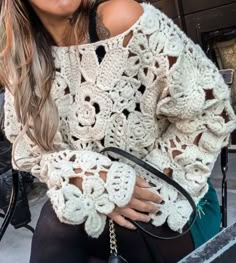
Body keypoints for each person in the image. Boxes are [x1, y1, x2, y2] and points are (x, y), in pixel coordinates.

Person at [1, 0, 235, 262]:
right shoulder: (22, 62)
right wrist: (90, 177)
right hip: (98, 218)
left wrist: (128, 186)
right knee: (65, 224)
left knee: (58, 225)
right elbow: (33, 157)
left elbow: (211, 111)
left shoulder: (120, 18)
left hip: (169, 205)